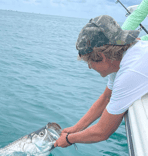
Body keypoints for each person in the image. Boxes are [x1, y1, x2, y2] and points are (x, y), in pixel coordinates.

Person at [54, 15, 148, 148]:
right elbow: (105, 98)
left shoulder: (130, 73)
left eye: (89, 61)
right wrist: (76, 128)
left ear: (102, 57)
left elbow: (103, 131)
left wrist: (69, 139)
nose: (89, 67)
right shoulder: (122, 58)